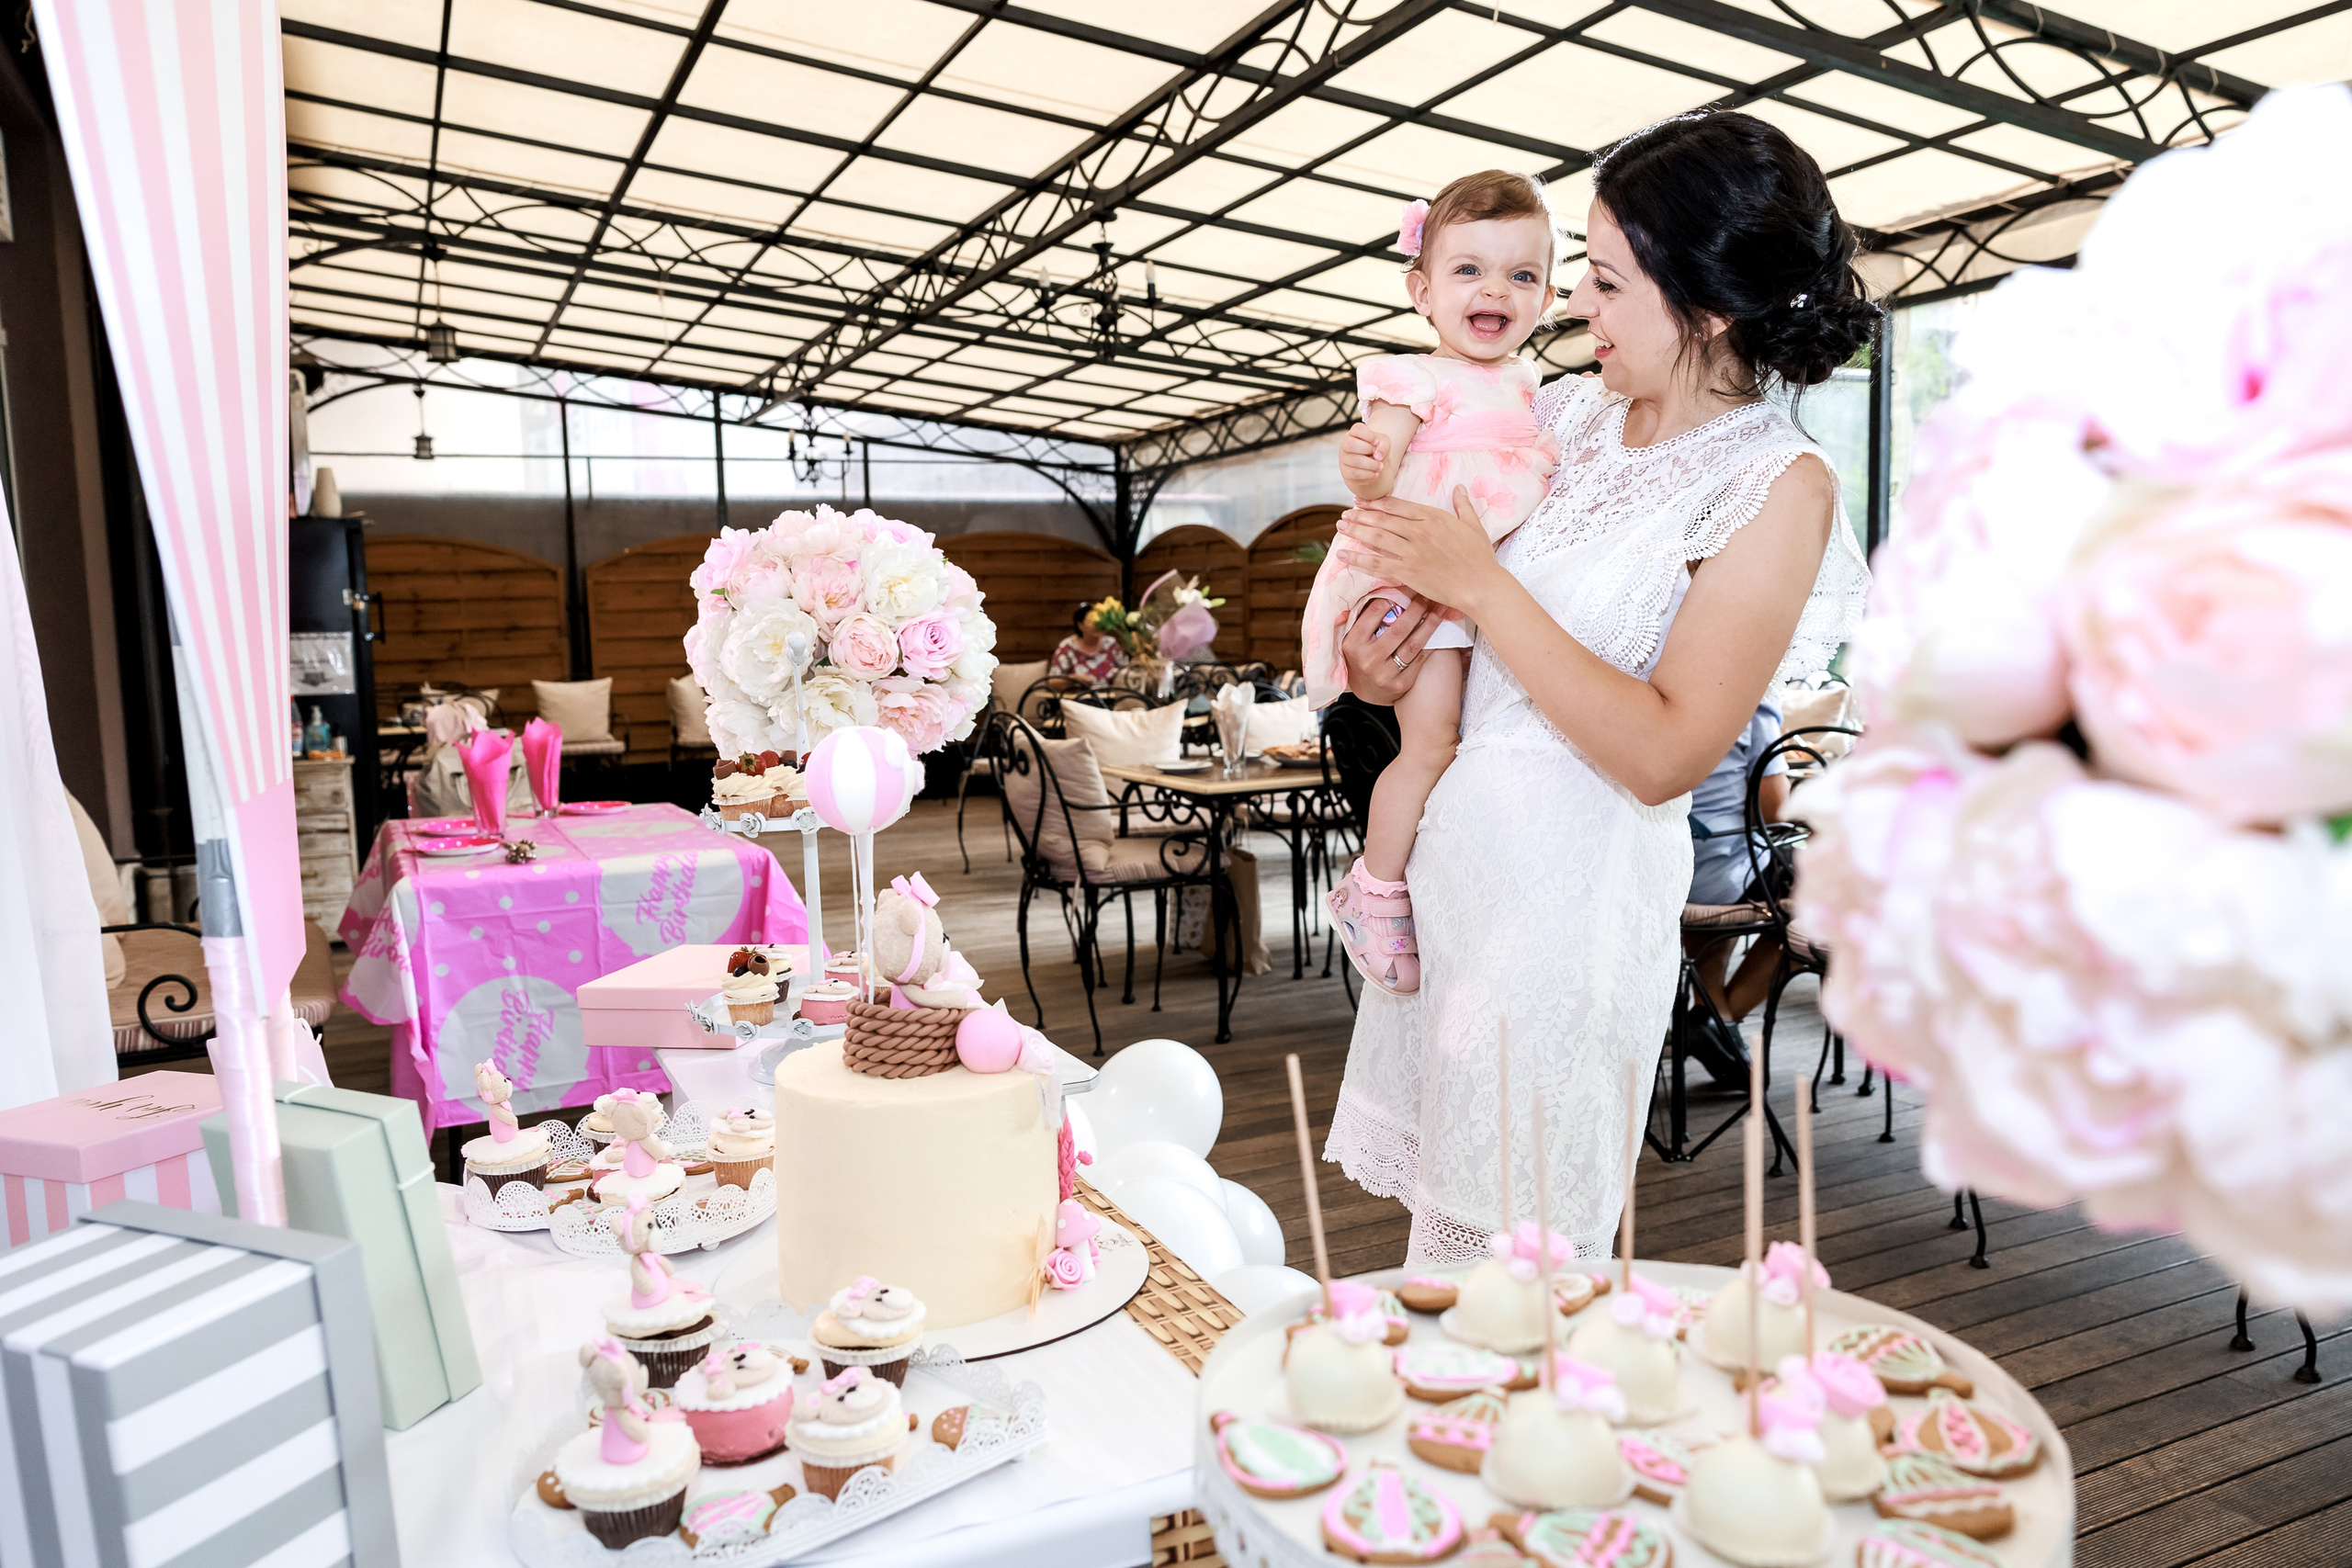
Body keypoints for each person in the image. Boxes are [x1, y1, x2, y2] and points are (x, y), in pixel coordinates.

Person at [1320, 111, 1873, 1265]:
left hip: (1565, 916)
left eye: (1609, 284)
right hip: (1456, 877)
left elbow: (1668, 753)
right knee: (1440, 1255)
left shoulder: (1779, 485)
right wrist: (1385, 659)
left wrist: (1481, 586)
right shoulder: (1555, 416)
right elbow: (1434, 607)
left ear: (1707, 307)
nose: (1573, 306)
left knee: (1510, 1270)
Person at [1306, 171, 1563, 998]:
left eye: (1521, 275)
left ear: (1549, 295)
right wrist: (1365, 462)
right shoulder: (1414, 379)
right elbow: (1376, 471)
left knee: (1461, 745)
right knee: (1431, 745)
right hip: (1417, 583)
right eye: (1468, 271)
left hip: (1480, 588)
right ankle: (1375, 890)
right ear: (1422, 292)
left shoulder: (1531, 388)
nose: (1495, 290)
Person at [1682, 694, 1790, 1085]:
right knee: (1827, 908)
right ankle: (1718, 1020)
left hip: (1662, 872)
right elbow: (1777, 811)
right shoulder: (1753, 699)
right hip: (1722, 873)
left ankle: (1710, 1014)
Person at [1047, 602, 1126, 684]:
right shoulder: (1067, 647)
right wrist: (1073, 679)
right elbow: (1052, 682)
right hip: (1078, 696)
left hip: (1111, 696)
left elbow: (1125, 672)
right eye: (1091, 621)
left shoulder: (1111, 644)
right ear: (1080, 625)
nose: (1096, 624)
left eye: (1099, 620)